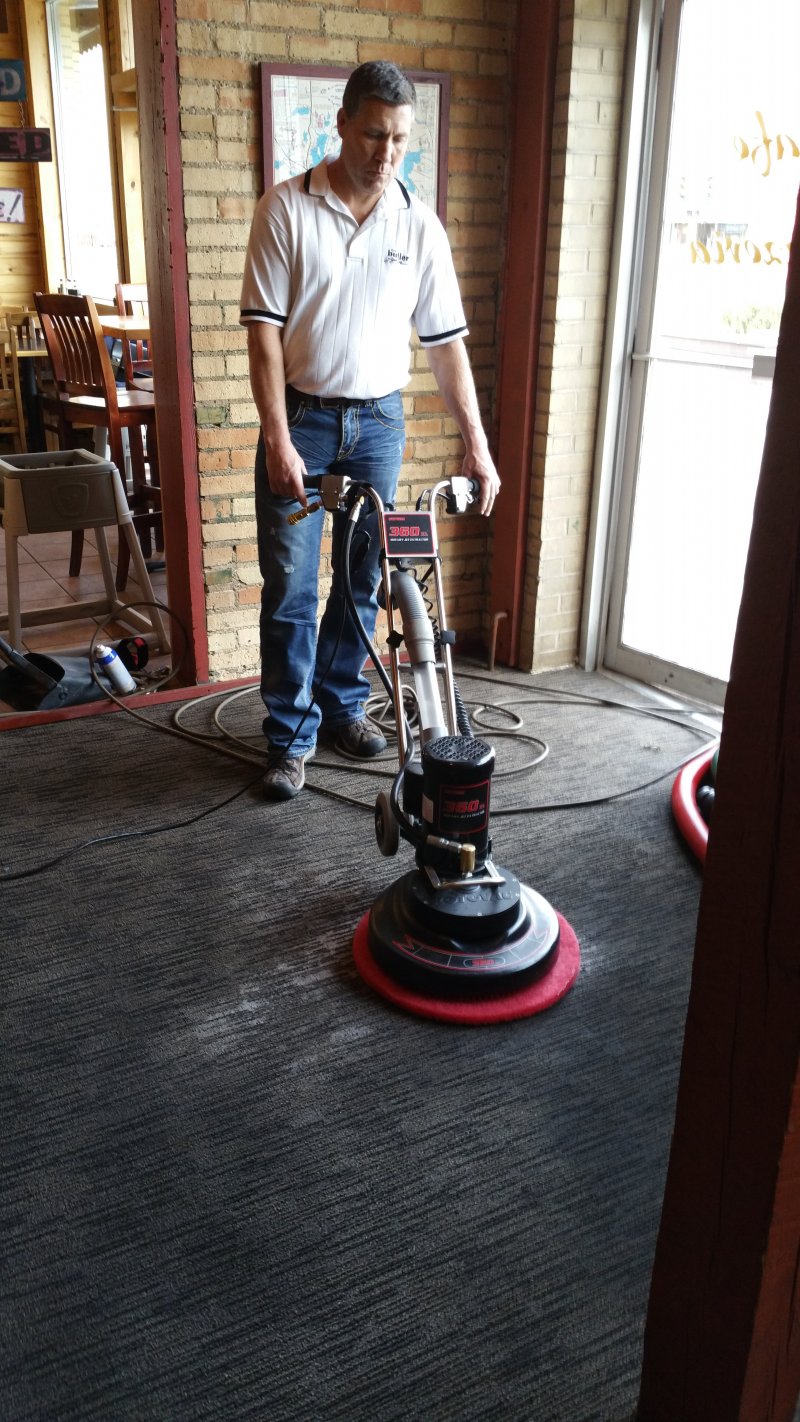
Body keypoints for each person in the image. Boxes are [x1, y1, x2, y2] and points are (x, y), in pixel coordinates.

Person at [240, 60, 500, 801]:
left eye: (401, 140)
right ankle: (290, 739)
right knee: (290, 586)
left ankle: (341, 705)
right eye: (375, 135)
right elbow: (263, 337)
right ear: (343, 124)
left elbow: (445, 345)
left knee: (361, 579)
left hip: (380, 424)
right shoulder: (285, 209)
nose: (387, 154)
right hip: (303, 417)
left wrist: (477, 443)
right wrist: (276, 439)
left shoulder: (418, 223)